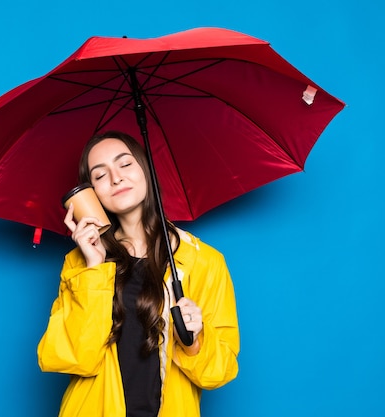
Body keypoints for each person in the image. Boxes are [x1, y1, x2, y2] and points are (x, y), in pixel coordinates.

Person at [37, 131, 240, 417]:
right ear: (90, 193)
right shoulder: (79, 264)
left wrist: (194, 342)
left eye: (125, 164)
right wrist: (94, 269)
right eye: (99, 174)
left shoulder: (204, 261)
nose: (116, 178)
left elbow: (220, 373)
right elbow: (69, 358)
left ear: (145, 169)